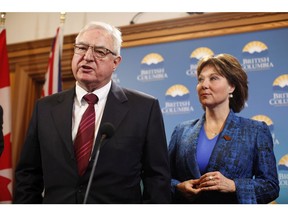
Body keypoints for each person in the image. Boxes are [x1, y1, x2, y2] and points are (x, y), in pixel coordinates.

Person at [14, 21, 171, 204]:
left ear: (115, 62)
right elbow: (28, 176)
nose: (87, 57)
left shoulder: (144, 108)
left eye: (99, 51)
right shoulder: (45, 108)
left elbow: (157, 179)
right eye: (81, 48)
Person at [169, 53, 279, 204]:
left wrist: (234, 186)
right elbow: (163, 179)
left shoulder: (255, 131)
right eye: (201, 79)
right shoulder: (181, 131)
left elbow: (271, 187)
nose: (204, 85)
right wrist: (178, 187)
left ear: (231, 86)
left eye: (213, 78)